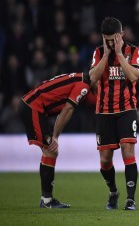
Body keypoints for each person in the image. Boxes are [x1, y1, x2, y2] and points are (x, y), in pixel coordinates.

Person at [89, 17, 139, 211]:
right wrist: (106, 56)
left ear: (122, 35)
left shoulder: (134, 51)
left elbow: (134, 75)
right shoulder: (98, 53)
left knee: (128, 151)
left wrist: (119, 53)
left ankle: (130, 199)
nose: (111, 43)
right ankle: (113, 192)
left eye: (114, 39)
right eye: (108, 39)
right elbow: (92, 77)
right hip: (104, 111)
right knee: (105, 160)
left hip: (127, 109)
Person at [19, 72, 92, 208]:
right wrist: (55, 136)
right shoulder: (84, 85)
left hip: (33, 106)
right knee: (50, 151)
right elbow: (67, 110)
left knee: (50, 152)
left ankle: (46, 199)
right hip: (33, 107)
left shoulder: (78, 77)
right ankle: (47, 200)